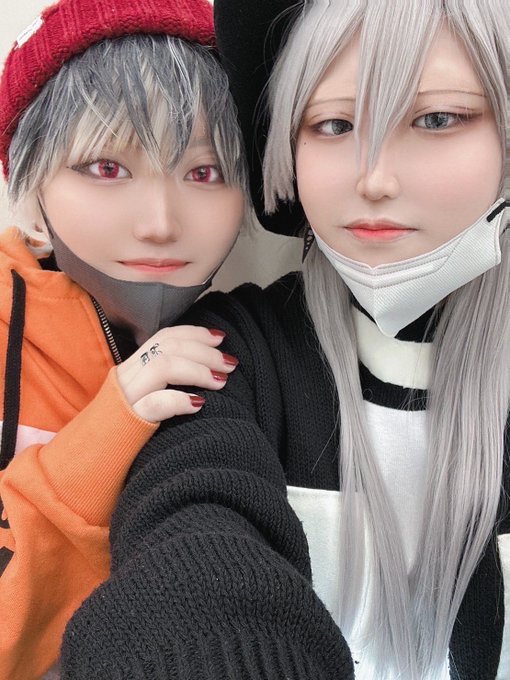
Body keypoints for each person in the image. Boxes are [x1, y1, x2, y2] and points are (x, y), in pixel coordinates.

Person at [60, 0, 510, 678]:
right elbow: (192, 525)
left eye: (438, 118)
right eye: (333, 124)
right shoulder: (231, 350)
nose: (374, 179)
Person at [0, 0, 248, 677]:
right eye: (106, 168)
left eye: (204, 172)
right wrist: (108, 433)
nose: (161, 222)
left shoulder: (250, 345)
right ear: (28, 189)